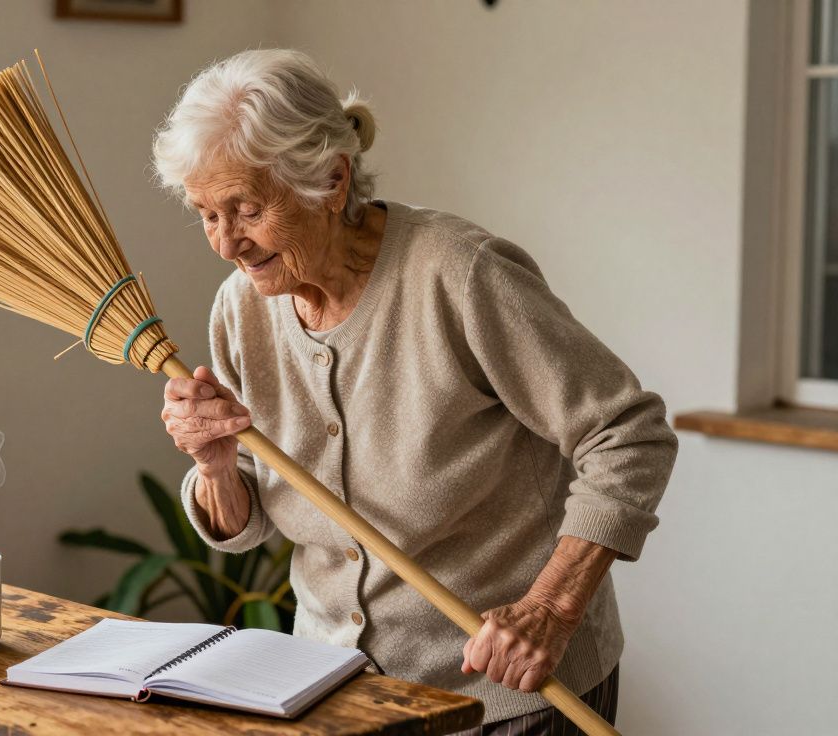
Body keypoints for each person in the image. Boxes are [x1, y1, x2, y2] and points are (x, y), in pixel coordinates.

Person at [152, 49, 676, 734]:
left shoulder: (458, 275)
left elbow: (627, 434)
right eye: (205, 214)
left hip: (509, 698)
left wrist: (550, 608)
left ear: (331, 180)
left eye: (246, 209)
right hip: (336, 696)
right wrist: (215, 465)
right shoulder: (241, 307)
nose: (227, 244)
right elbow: (243, 521)